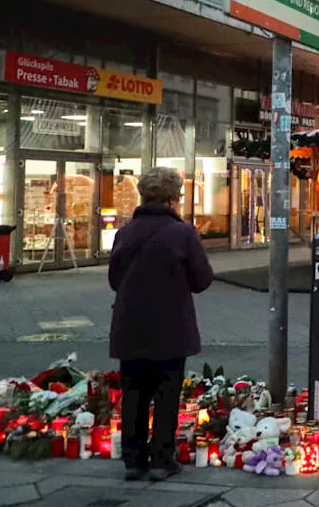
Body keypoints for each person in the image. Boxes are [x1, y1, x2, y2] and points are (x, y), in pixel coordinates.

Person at [108, 166, 213, 482]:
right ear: (172, 199)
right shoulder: (183, 233)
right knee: (167, 394)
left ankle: (133, 460)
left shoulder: (125, 233)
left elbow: (115, 280)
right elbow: (202, 280)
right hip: (170, 326)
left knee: (134, 393)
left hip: (130, 326)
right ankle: (161, 460)